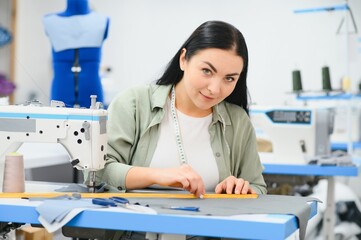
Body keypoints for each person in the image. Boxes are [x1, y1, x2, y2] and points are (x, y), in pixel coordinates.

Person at [96, 20, 267, 199]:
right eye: (207, 71)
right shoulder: (134, 103)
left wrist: (241, 188)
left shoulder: (238, 121)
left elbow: (259, 188)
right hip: (140, 226)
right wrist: (159, 175)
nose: (215, 89)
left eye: (229, 79)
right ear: (183, 59)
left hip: (211, 226)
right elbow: (99, 172)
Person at [43, 0, 109, 107]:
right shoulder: (50, 21)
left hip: (92, 88)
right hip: (61, 89)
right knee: (57, 122)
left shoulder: (102, 20)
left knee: (95, 122)